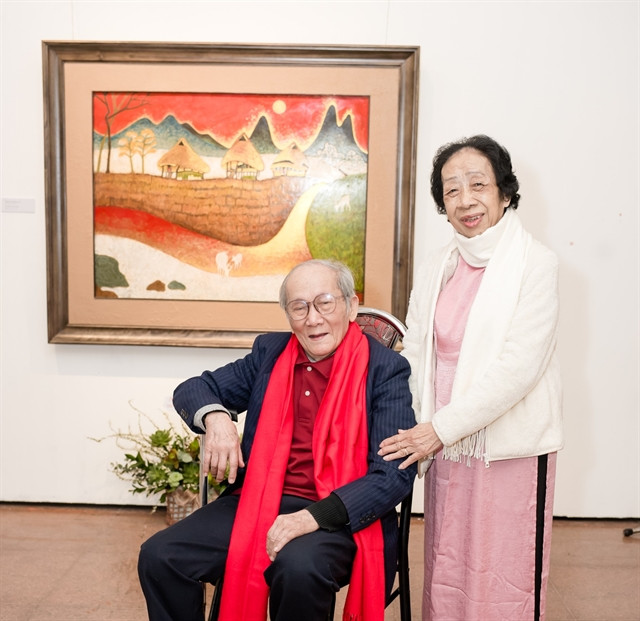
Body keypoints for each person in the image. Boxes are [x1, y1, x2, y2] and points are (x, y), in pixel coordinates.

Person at [138, 259, 417, 621]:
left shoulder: (385, 370)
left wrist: (313, 517)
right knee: (161, 556)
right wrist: (216, 417)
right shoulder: (270, 354)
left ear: (351, 307)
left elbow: (393, 475)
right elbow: (194, 388)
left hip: (339, 514)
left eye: (324, 303)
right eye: (299, 307)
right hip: (256, 501)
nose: (313, 319)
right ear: (288, 315)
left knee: (298, 568)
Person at [379, 135, 563, 621]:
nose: (465, 200)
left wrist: (440, 430)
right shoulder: (437, 265)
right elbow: (415, 349)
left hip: (507, 447)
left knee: (503, 572)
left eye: (478, 185)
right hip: (445, 447)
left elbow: (519, 368)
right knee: (450, 565)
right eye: (452, 189)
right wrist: (413, 425)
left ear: (505, 191)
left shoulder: (535, 263)